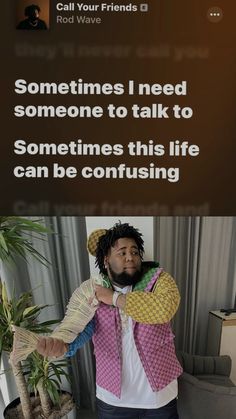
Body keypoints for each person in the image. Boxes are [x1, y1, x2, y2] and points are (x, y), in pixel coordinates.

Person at [37, 222, 183, 419]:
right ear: (106, 260)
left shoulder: (159, 280)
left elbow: (164, 308)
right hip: (113, 400)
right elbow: (80, 328)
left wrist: (114, 298)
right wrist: (62, 345)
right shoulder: (93, 290)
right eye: (122, 252)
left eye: (135, 252)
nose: (130, 256)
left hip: (159, 397)